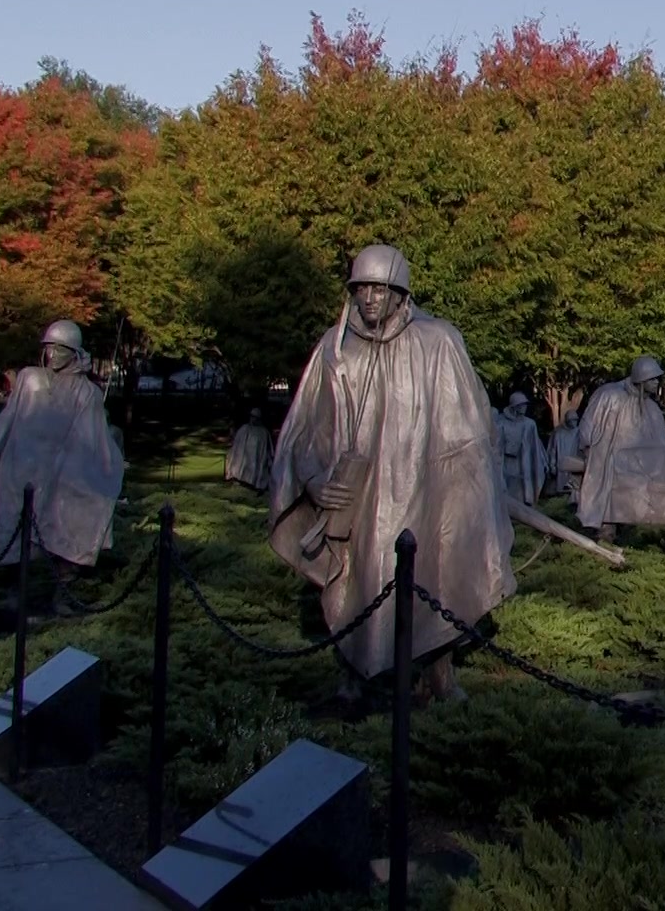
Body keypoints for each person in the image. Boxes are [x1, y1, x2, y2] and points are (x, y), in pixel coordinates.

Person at [268, 244, 515, 703]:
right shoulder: (335, 349)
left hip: (425, 493)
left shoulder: (438, 341)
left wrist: (465, 491)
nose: (369, 298)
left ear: (401, 293)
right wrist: (313, 479)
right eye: (362, 288)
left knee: (436, 577)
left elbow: (470, 430)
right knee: (354, 583)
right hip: (359, 500)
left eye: (380, 289)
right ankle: (353, 677)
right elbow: (306, 428)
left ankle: (438, 673)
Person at [0, 320, 125, 616]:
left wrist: (106, 466)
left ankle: (63, 594)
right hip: (21, 468)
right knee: (15, 532)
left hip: (62, 472)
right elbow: (11, 415)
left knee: (68, 528)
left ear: (75, 351)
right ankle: (14, 594)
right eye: (48, 348)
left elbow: (92, 437)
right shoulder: (29, 379)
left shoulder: (88, 393)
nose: (53, 354)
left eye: (61, 348)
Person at [575, 357, 665, 544]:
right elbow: (587, 427)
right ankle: (605, 531)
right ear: (641, 379)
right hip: (614, 463)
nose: (657, 382)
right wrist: (587, 450)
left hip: (647, 466)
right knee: (619, 487)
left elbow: (663, 446)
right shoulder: (610, 396)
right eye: (652, 379)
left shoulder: (651, 407)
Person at [493, 392, 548, 506]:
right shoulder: (501, 422)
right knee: (507, 487)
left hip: (524, 462)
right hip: (506, 463)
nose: (524, 407)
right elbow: (496, 446)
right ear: (515, 406)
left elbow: (536, 446)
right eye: (522, 405)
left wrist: (544, 461)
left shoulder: (529, 424)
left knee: (523, 489)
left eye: (525, 405)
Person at [226, 408, 274, 491]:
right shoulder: (244, 429)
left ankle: (254, 483)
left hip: (256, 459)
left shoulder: (263, 432)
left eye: (255, 417)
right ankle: (240, 478)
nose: (253, 419)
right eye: (252, 416)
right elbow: (237, 445)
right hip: (244, 458)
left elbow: (268, 449)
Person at [548, 409, 583, 501]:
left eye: (576, 420)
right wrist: (552, 465)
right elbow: (553, 450)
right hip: (561, 466)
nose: (574, 422)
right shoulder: (558, 433)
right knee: (561, 490)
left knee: (574, 488)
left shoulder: (579, 433)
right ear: (568, 421)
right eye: (572, 420)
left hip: (575, 466)